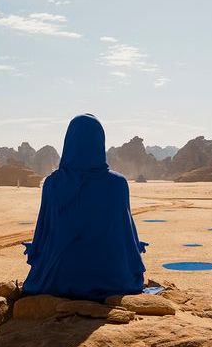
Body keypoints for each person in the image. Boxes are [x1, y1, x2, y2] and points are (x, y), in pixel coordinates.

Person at [22, 114, 147, 301]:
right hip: (113, 279)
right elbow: (125, 235)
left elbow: (44, 231)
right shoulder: (117, 184)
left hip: (57, 279)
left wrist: (36, 251)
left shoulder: (53, 183)